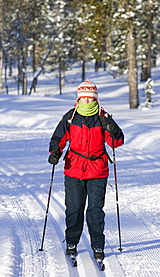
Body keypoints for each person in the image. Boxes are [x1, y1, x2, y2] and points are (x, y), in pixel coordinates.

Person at [48, 79, 124, 260]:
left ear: (96, 99)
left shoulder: (103, 117)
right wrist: (56, 152)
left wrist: (113, 128)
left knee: (96, 210)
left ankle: (98, 245)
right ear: (79, 99)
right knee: (74, 208)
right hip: (74, 169)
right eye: (84, 98)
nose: (87, 101)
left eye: (90, 98)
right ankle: (72, 241)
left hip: (98, 170)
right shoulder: (70, 117)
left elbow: (116, 142)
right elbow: (58, 138)